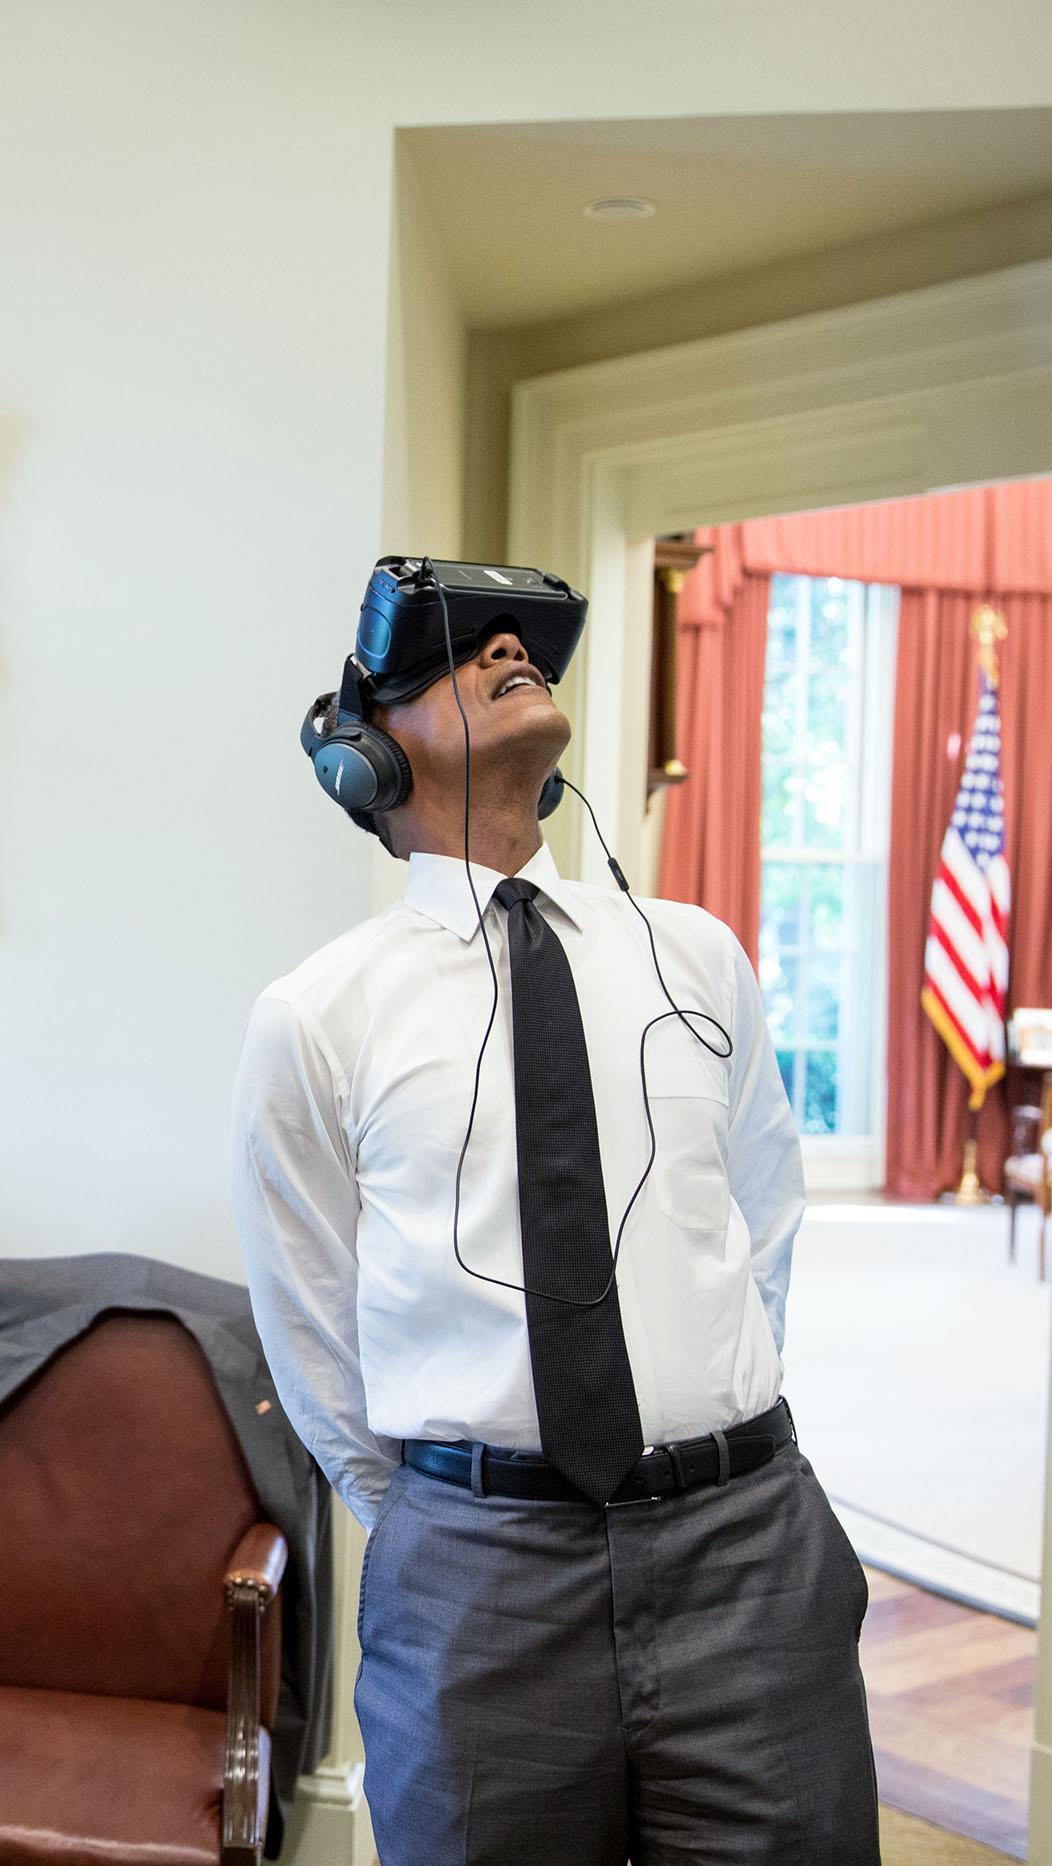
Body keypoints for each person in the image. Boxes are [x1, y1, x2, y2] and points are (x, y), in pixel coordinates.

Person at [232, 558, 877, 1866]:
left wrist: (707, 1425)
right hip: (480, 1584)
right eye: (456, 654)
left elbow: (762, 1219)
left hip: (744, 1550)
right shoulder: (317, 1016)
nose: (511, 651)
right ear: (362, 756)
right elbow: (313, 1337)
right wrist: (442, 1514)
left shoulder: (694, 952)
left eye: (526, 644)